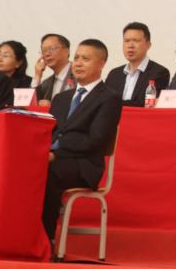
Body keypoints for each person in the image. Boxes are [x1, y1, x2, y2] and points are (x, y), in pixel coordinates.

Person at [42, 38, 123, 245]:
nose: (78, 63)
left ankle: (45, 239)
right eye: (76, 58)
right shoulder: (61, 98)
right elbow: (50, 132)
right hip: (52, 158)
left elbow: (95, 139)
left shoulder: (109, 98)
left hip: (84, 165)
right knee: (23, 170)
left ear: (101, 63)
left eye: (85, 59)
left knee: (47, 172)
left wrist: (56, 153)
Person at [104, 22, 171, 107]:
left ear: (148, 45)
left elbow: (146, 104)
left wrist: (114, 104)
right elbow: (104, 101)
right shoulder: (114, 74)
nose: (130, 45)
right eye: (126, 41)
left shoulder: (159, 73)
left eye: (136, 41)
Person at [33, 33, 74, 105]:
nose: (47, 54)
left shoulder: (79, 75)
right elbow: (32, 104)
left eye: (52, 48)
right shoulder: (46, 83)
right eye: (43, 50)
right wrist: (37, 76)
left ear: (67, 51)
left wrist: (52, 107)